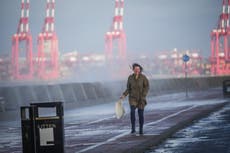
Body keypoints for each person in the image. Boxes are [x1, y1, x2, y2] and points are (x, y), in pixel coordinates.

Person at [120, 63, 149, 135]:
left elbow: (147, 87)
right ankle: (133, 128)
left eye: (138, 69)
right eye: (135, 69)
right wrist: (124, 95)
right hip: (132, 98)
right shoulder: (130, 78)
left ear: (140, 70)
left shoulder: (143, 77)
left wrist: (144, 95)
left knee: (140, 114)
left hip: (141, 98)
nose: (137, 70)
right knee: (132, 112)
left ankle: (141, 129)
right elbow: (128, 89)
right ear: (133, 70)